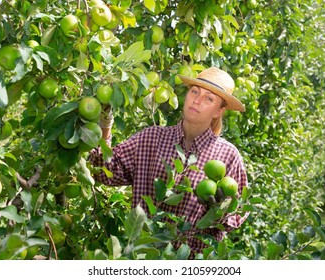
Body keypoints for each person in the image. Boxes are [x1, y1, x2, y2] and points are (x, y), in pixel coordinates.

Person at [89, 67, 248, 257]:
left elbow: (236, 215)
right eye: (195, 91)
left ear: (218, 111)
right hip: (143, 258)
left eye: (209, 98)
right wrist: (104, 123)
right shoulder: (151, 138)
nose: (197, 100)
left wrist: (220, 208)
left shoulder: (227, 156)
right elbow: (104, 172)